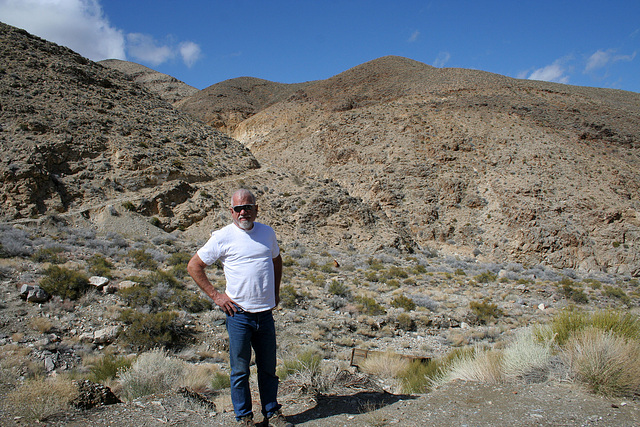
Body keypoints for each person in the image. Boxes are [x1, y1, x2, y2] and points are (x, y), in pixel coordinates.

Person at [188, 189, 293, 427]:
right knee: (239, 371)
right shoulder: (222, 237)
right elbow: (194, 266)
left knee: (268, 369)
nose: (243, 212)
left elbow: (276, 260)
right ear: (231, 211)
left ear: (257, 209)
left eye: (248, 207)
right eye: (238, 208)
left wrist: (275, 292)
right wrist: (216, 296)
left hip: (265, 314)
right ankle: (244, 418)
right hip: (238, 315)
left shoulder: (267, 233)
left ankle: (272, 413)